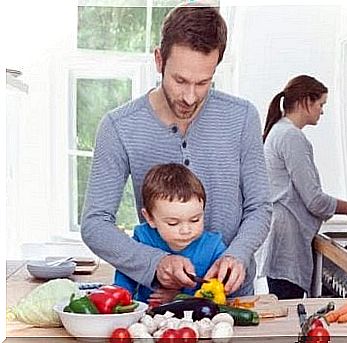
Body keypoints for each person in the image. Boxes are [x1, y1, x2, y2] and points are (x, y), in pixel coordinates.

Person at [81, 4, 271, 298]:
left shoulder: (242, 117)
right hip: (158, 301)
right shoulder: (119, 127)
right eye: (180, 80)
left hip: (232, 299)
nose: (190, 96)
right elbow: (95, 224)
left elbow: (259, 207)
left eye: (203, 82)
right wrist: (155, 263)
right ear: (159, 60)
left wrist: (238, 254)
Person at [260, 75, 347, 299]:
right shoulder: (291, 136)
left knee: (287, 311)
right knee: (290, 317)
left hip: (281, 236)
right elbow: (314, 200)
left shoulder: (280, 131)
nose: (322, 111)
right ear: (305, 102)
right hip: (287, 240)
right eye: (321, 104)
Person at [114, 163, 226, 304]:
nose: (186, 230)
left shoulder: (214, 247)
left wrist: (179, 299)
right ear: (149, 218)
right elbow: (124, 281)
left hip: (197, 321)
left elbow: (217, 296)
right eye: (173, 223)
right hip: (146, 318)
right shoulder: (142, 238)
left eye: (195, 220)